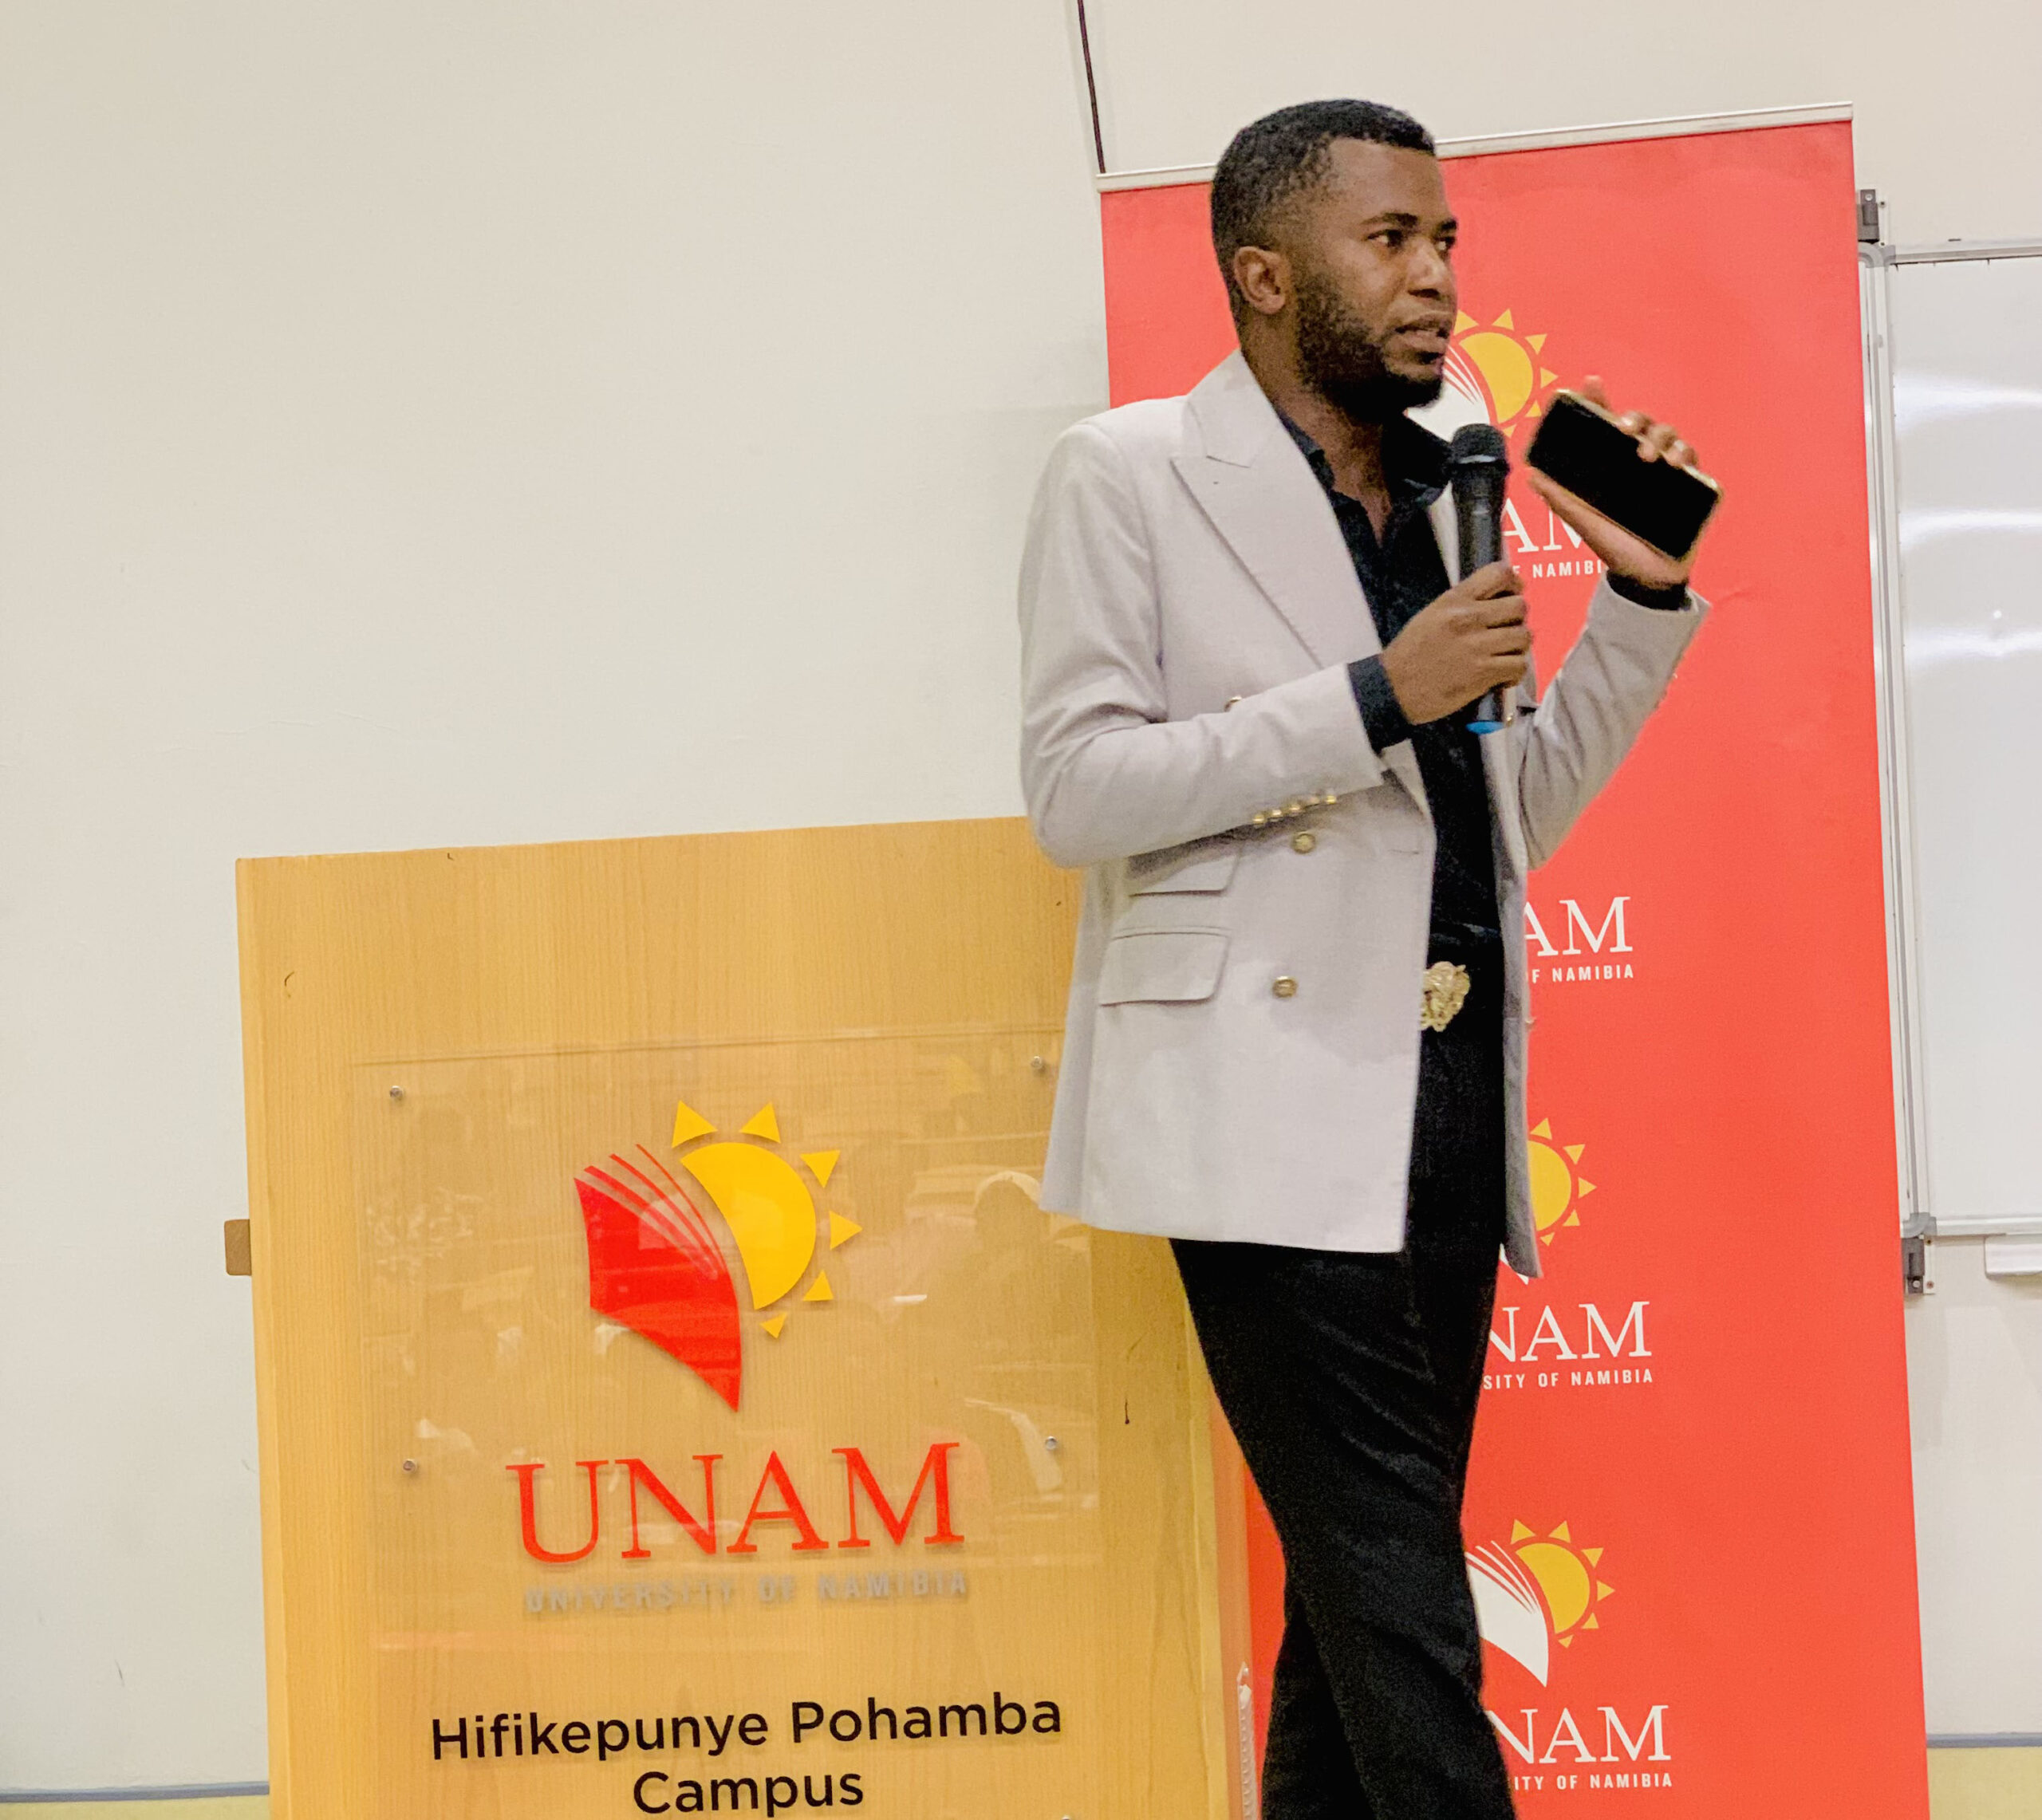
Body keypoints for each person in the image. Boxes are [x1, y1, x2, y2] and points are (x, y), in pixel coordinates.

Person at [1016, 99, 1713, 1818]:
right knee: (1399, 1606)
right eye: (1388, 241)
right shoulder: (1126, 473)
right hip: (1259, 1102)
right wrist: (1370, 695)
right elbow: (1077, 790)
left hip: (1448, 1089)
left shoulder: (1451, 474)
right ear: (1263, 275)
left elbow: (1505, 807)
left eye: (1443, 241)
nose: (1434, 280)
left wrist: (1636, 605)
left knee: (1354, 1615)